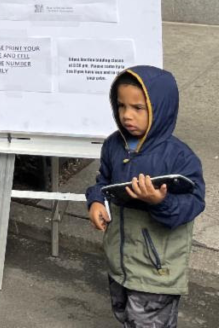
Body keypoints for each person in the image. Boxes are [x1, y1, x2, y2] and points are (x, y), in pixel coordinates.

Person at [86, 67, 206, 328]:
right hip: (120, 261)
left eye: (138, 108)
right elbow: (103, 182)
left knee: (148, 322)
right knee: (124, 314)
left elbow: (194, 202)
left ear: (160, 109)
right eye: (121, 106)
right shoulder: (113, 145)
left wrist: (159, 202)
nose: (127, 115)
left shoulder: (179, 157)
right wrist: (96, 201)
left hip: (157, 267)